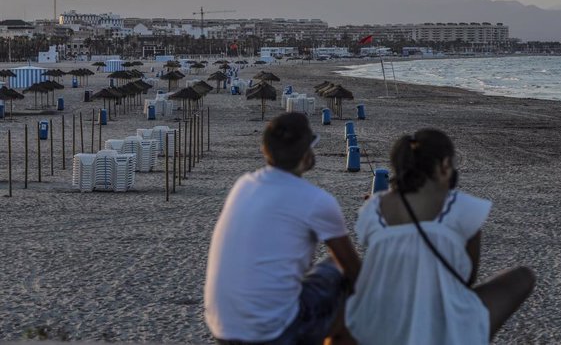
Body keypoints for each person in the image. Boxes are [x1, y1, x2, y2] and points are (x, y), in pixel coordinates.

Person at [346, 129, 535, 344]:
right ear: (445, 166)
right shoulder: (465, 209)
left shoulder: (371, 210)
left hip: (382, 323)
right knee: (523, 276)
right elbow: (466, 280)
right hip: (443, 329)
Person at [205, 112, 360, 345]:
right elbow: (353, 269)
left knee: (326, 272)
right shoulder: (317, 201)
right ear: (307, 153)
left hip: (222, 326)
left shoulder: (244, 184)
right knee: (343, 276)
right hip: (273, 333)